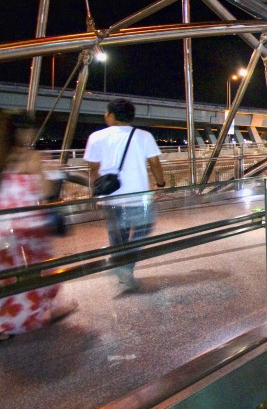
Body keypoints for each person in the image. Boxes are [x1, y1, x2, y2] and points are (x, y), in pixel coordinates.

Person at [0, 111, 77, 340]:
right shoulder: (30, 157)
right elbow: (44, 191)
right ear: (23, 131)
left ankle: (4, 324)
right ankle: (49, 308)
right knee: (43, 265)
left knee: (7, 274)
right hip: (30, 224)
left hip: (3, 225)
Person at [84, 98, 165, 291]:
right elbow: (155, 163)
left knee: (117, 236)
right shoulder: (144, 136)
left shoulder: (96, 137)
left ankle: (121, 265)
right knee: (143, 229)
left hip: (110, 196)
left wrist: (97, 191)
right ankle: (125, 267)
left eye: (106, 113)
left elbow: (94, 168)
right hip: (139, 195)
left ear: (111, 115)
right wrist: (160, 184)